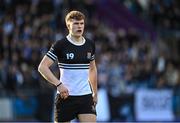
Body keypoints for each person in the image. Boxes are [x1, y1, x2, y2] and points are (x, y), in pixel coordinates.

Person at [38, 10, 98, 122]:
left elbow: (92, 68)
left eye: (82, 23)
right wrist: (58, 84)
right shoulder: (60, 45)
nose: (79, 26)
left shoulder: (90, 44)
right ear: (68, 25)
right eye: (76, 23)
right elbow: (42, 67)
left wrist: (94, 92)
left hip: (85, 96)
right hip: (65, 97)